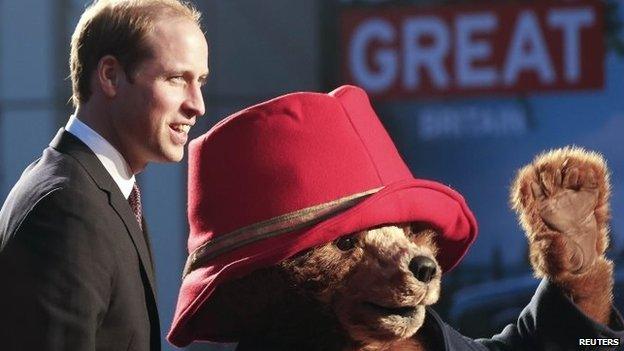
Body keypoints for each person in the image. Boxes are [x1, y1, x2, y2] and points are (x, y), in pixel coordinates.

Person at [0, 0, 208, 350]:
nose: (197, 104)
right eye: (176, 79)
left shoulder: (98, 192)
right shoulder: (67, 207)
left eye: (200, 81)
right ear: (110, 75)